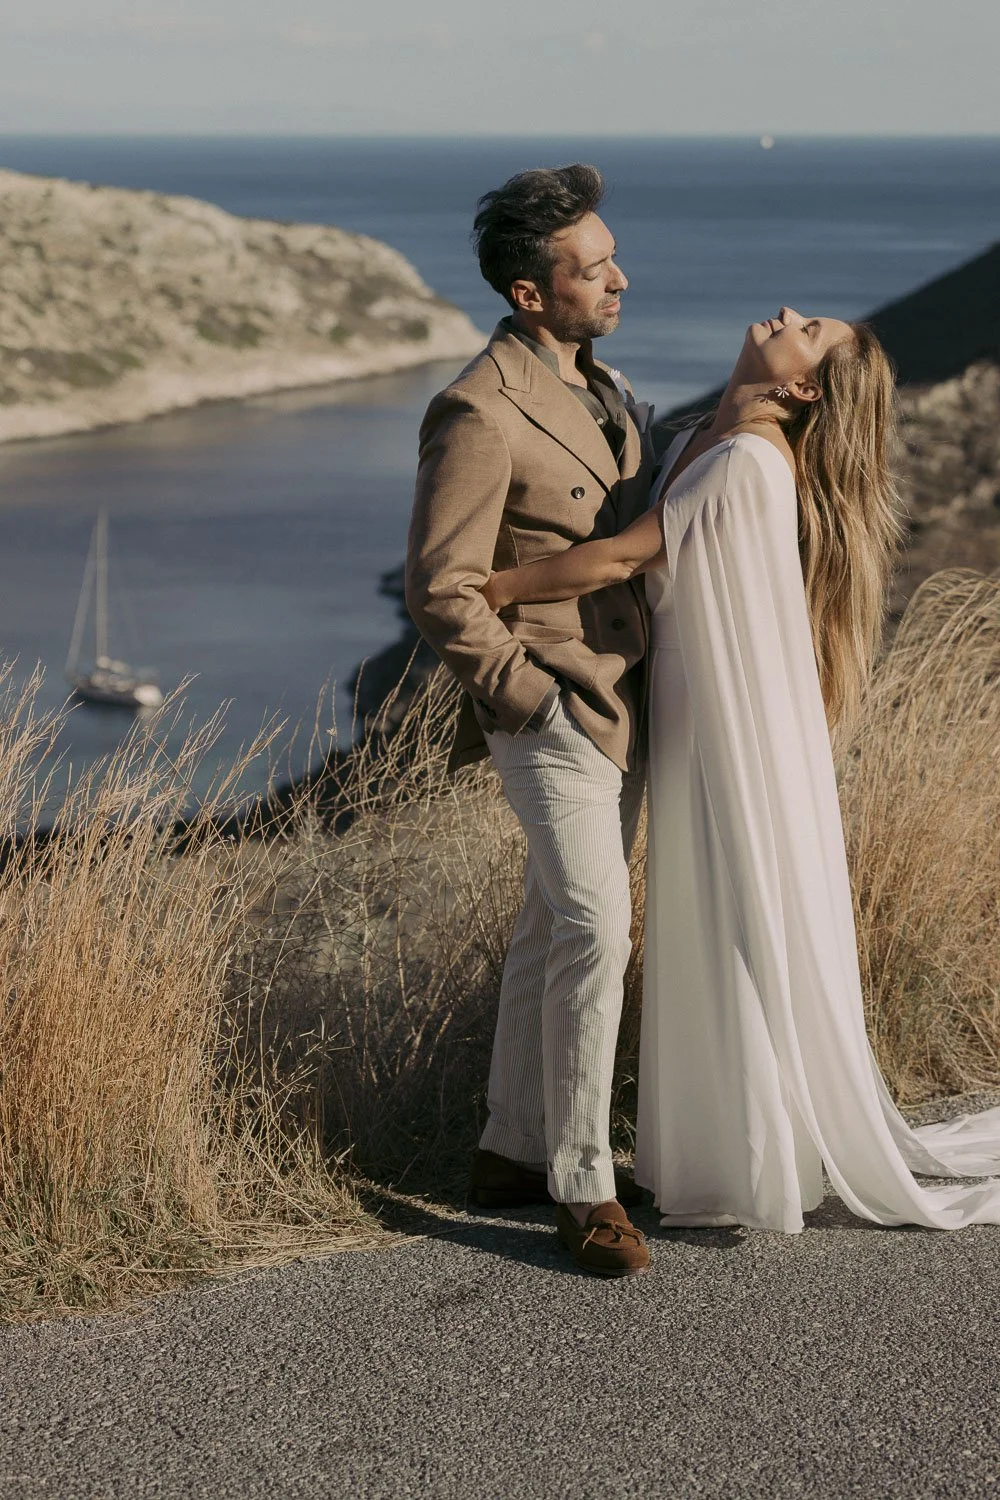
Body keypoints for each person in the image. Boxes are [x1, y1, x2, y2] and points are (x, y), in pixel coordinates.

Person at [481, 306, 1000, 1232]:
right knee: (713, 910)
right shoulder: (706, 437)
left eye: (808, 330)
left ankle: (745, 1145)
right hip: (705, 712)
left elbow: (615, 560)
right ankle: (707, 1133)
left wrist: (485, 589)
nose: (789, 316)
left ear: (801, 387)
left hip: (726, 727)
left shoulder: (746, 461)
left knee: (727, 908)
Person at [405, 164, 656, 1277]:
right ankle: (581, 1179)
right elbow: (440, 588)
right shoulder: (474, 408)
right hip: (552, 714)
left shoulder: (609, 389)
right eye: (592, 268)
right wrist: (530, 700)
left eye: (609, 258)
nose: (618, 279)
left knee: (553, 926)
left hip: (632, 700)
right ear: (528, 292)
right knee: (598, 931)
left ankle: (505, 1150)